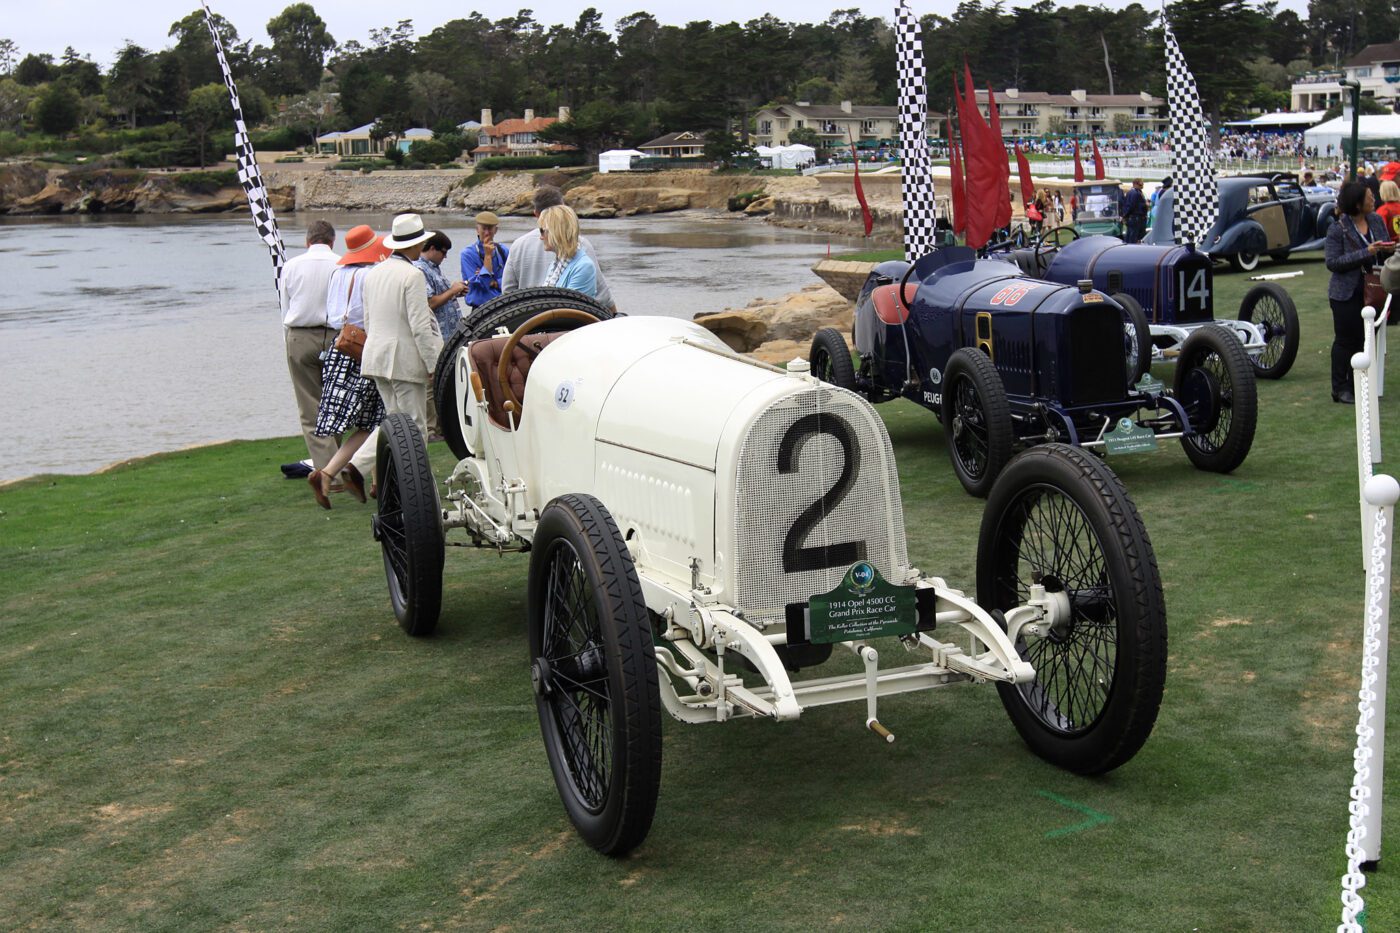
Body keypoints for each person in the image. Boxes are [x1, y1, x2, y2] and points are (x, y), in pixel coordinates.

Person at [306, 225, 391, 509]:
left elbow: (332, 313)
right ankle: (353, 474)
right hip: (363, 348)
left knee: (372, 421)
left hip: (340, 346)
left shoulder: (338, 274)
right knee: (380, 417)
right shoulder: (370, 275)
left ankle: (332, 474)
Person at [361, 213, 444, 438]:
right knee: (415, 427)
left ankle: (391, 472)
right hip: (404, 362)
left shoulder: (373, 273)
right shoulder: (413, 275)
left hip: (376, 356)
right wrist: (432, 365)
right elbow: (420, 326)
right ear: (417, 243)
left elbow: (368, 322)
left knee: (395, 426)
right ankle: (416, 475)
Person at [278, 220, 341, 479]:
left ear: (307, 241)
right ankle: (336, 465)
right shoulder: (341, 263)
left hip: (301, 336)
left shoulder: (291, 266)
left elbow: (285, 305)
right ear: (332, 241)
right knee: (335, 403)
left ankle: (330, 473)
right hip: (336, 337)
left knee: (311, 407)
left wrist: (287, 339)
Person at [1325, 181, 1395, 404]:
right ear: (1357, 203)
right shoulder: (1338, 229)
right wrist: (1367, 252)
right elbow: (1333, 262)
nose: (1374, 199)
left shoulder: (1375, 220)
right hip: (1346, 292)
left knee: (1368, 339)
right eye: (1369, 197)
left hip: (1373, 287)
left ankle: (1360, 384)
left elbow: (1385, 247)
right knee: (1346, 340)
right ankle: (1340, 387)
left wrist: (1387, 249)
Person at [501, 186, 614, 308]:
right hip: (547, 322)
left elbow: (508, 292)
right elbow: (603, 296)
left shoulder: (518, 245)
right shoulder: (573, 251)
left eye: (543, 231)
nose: (541, 237)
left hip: (541, 322)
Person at [415, 230, 467, 437]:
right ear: (433, 248)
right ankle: (431, 428)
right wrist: (453, 291)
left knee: (442, 381)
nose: (445, 257)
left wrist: (455, 291)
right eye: (443, 252)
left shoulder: (433, 268)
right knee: (432, 382)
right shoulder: (420, 269)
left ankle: (441, 425)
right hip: (435, 336)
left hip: (447, 336)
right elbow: (430, 302)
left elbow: (441, 296)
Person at [538, 205, 597, 297]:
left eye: (542, 231)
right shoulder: (556, 264)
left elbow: (570, 308)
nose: (541, 237)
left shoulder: (583, 267)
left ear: (557, 232)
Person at [458, 211, 508, 309]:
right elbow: (481, 283)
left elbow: (512, 279)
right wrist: (488, 256)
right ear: (477, 230)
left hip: (502, 306)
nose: (487, 233)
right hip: (480, 308)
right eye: (484, 229)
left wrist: (495, 283)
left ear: (496, 230)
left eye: (490, 229)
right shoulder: (468, 254)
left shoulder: (503, 251)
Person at [1122, 178, 1148, 244]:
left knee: (1133, 236)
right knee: (1134, 237)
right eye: (1141, 184)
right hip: (1136, 218)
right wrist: (1125, 216)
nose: (1142, 185)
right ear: (1135, 184)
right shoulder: (1135, 193)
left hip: (1135, 218)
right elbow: (1131, 206)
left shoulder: (1135, 192)